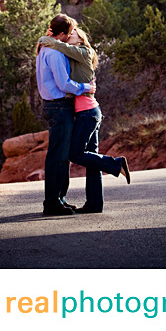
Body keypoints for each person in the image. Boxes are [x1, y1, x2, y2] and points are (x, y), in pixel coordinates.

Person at [38, 26, 130, 214]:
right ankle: (95, 204)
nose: (69, 36)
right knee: (91, 157)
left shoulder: (82, 51)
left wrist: (46, 39)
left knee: (75, 154)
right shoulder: (73, 56)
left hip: (87, 112)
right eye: (68, 32)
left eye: (71, 33)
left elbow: (60, 49)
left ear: (80, 38)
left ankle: (116, 164)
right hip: (87, 111)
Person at [36, 14, 95, 216]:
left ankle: (59, 199)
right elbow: (64, 84)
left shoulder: (44, 49)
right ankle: (53, 202)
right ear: (61, 34)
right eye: (69, 33)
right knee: (59, 156)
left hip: (53, 105)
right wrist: (86, 87)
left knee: (60, 155)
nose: (71, 36)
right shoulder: (55, 53)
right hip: (60, 106)